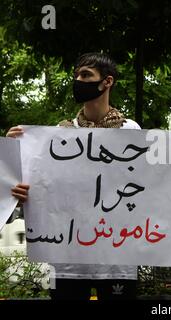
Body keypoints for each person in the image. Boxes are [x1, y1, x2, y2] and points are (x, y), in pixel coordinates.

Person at [7, 52, 140, 300]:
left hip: (116, 259)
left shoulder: (132, 132)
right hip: (68, 259)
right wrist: (15, 163)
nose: (78, 80)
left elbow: (146, 187)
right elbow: (43, 188)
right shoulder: (59, 135)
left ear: (107, 82)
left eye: (86, 75)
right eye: (77, 75)